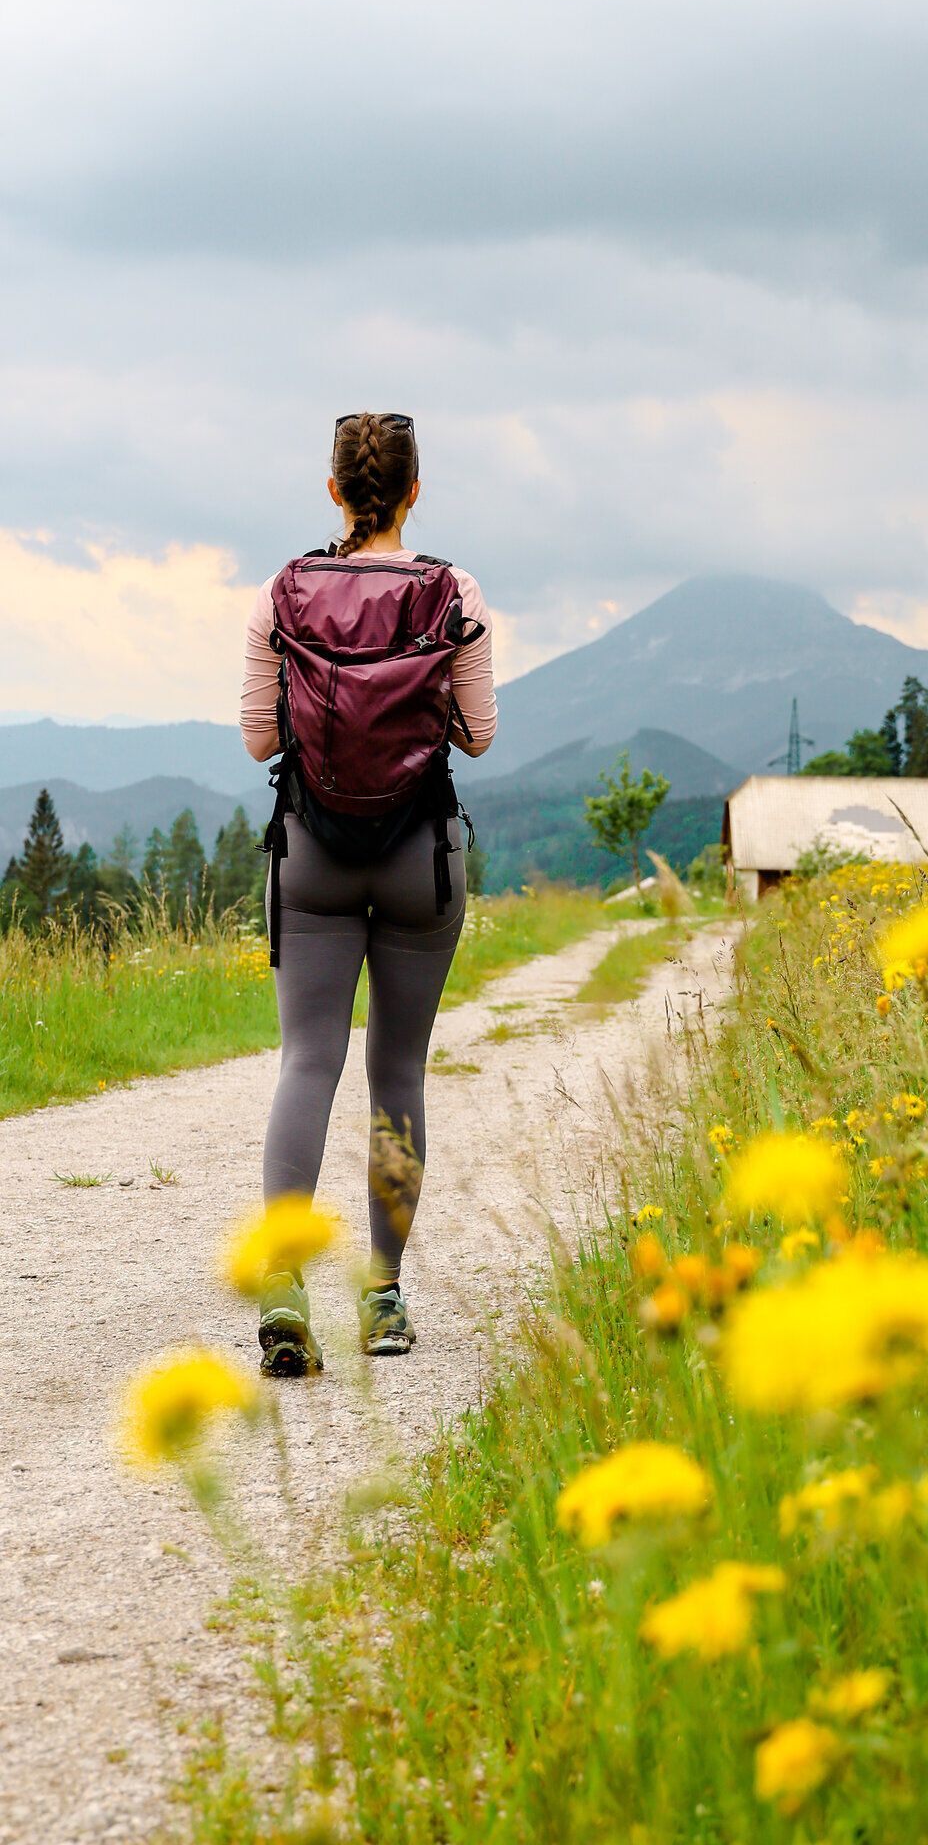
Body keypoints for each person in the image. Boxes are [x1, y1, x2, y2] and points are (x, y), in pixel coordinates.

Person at [239, 411, 496, 1375]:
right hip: (419, 854)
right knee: (398, 1074)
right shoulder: (451, 590)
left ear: (336, 491)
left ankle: (281, 1284)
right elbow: (478, 735)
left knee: (307, 1063)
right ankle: (382, 1298)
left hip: (311, 849)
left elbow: (261, 742)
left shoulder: (285, 590)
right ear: (414, 490)